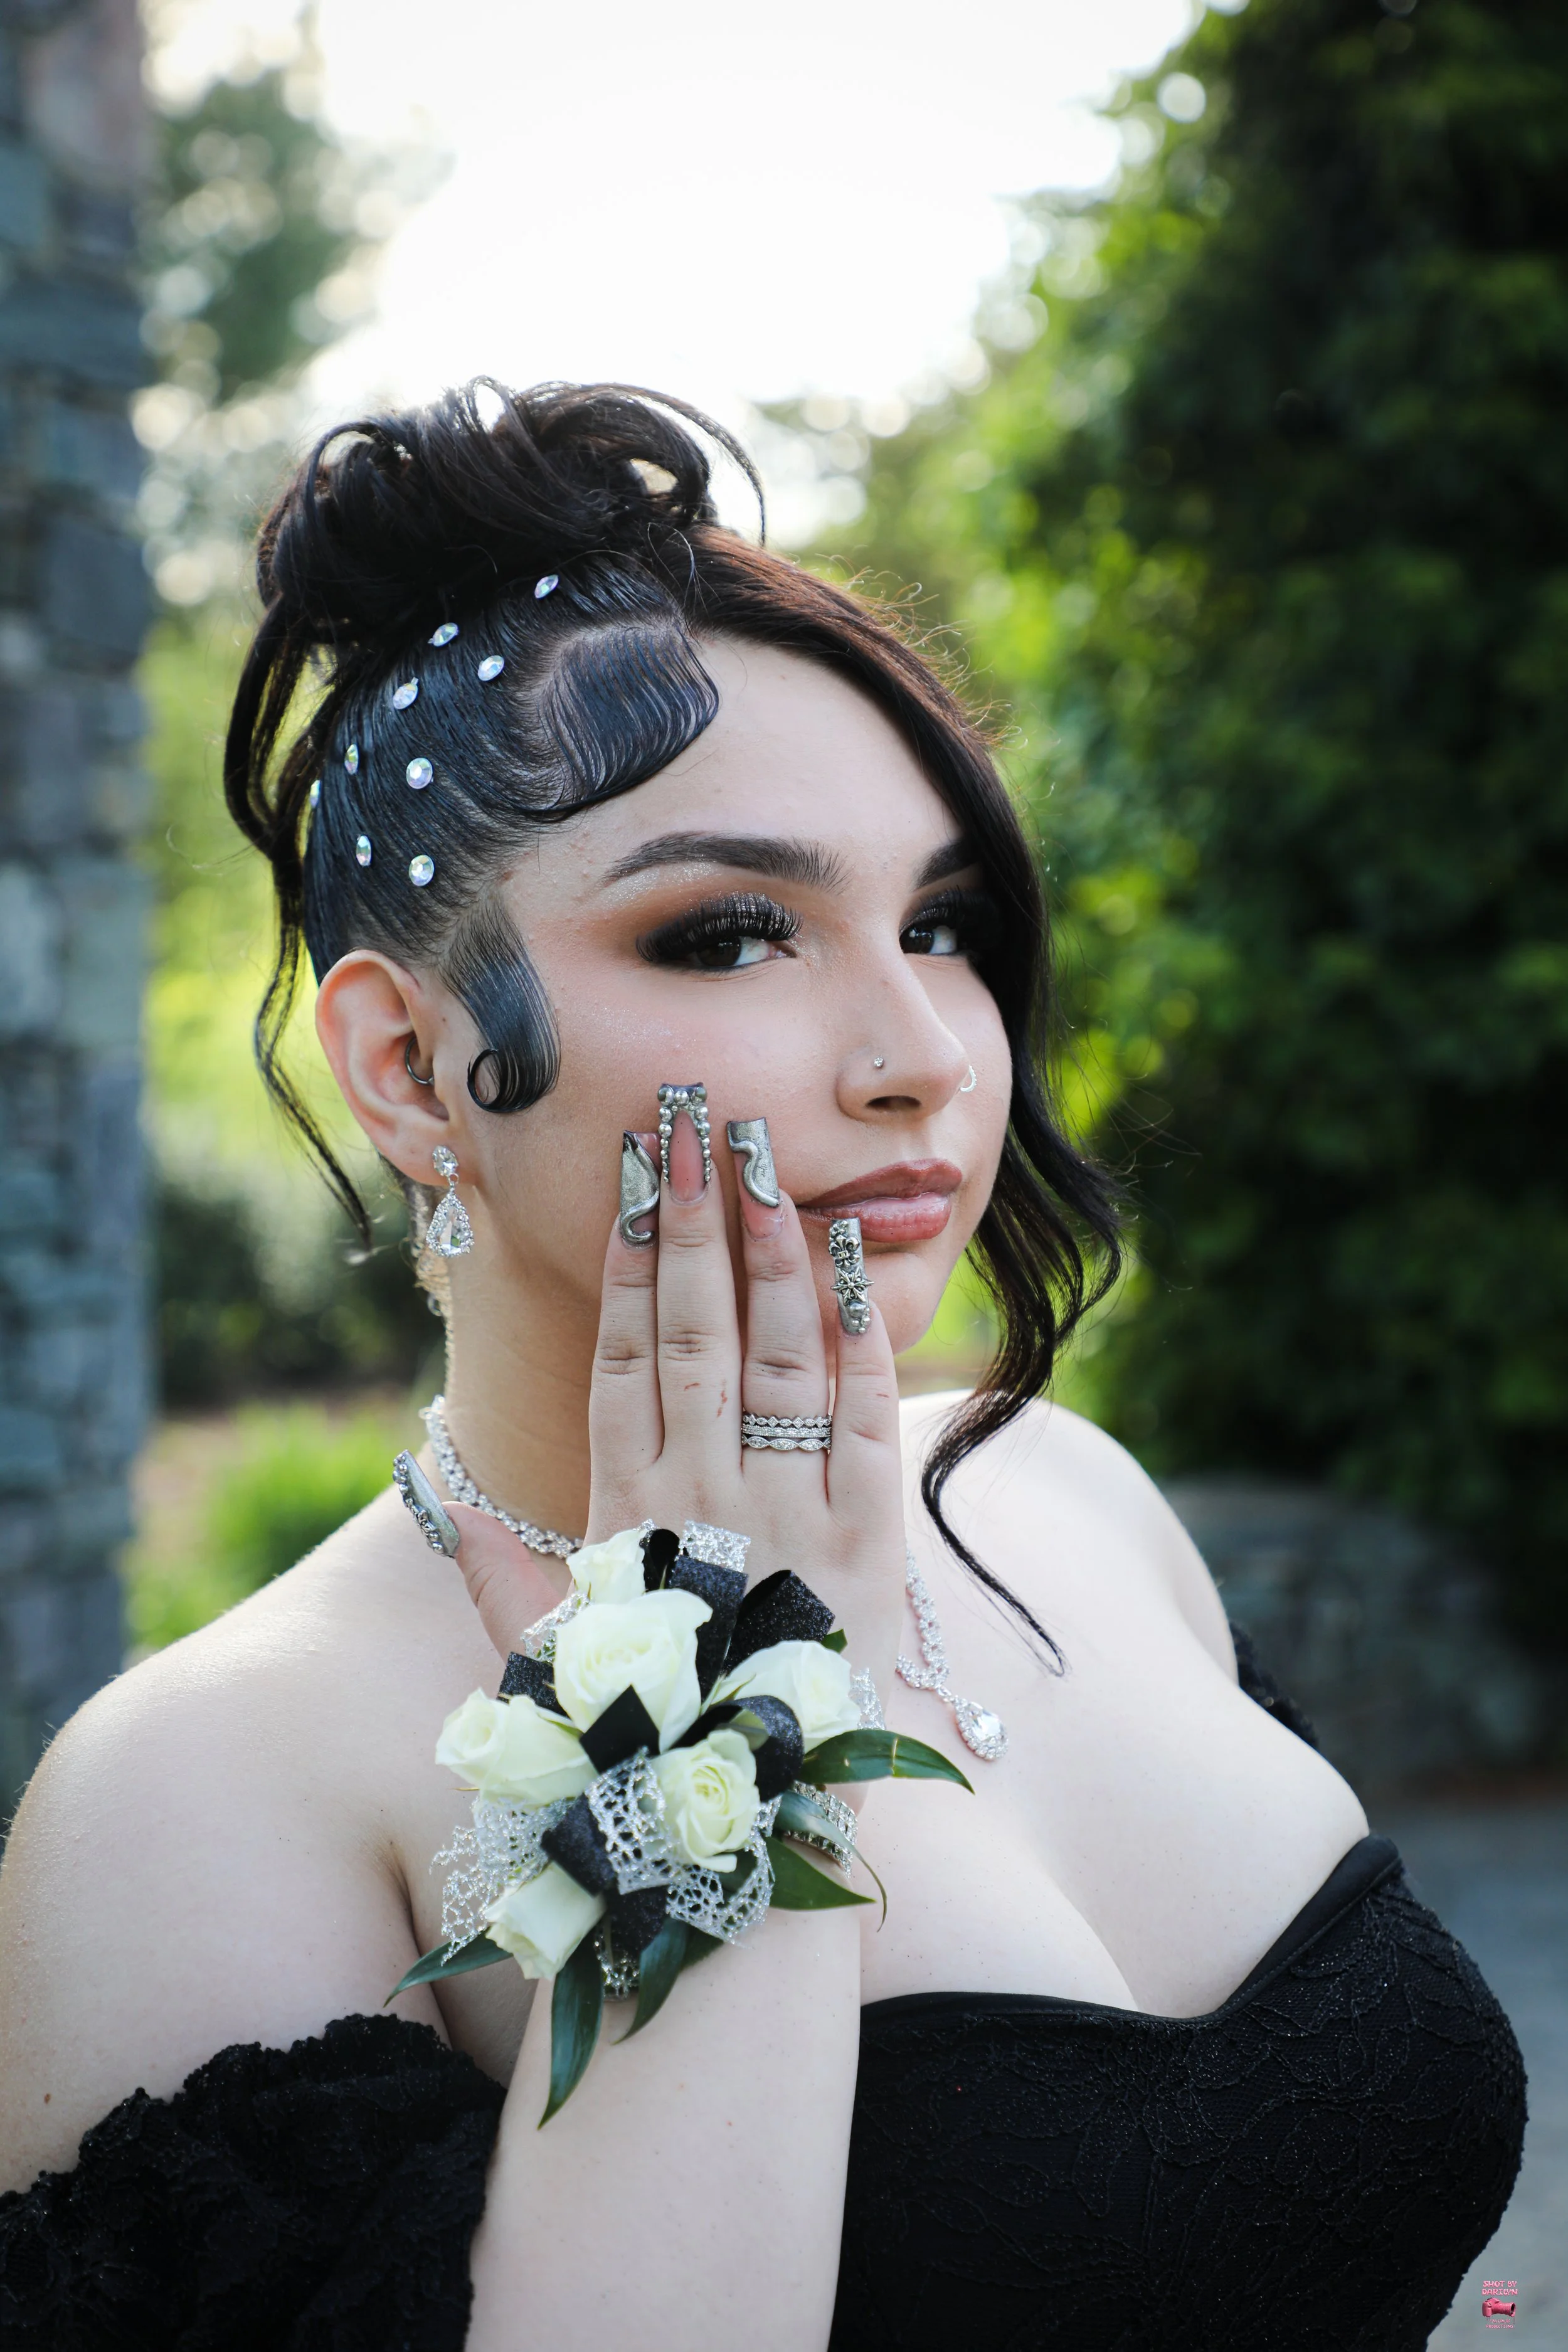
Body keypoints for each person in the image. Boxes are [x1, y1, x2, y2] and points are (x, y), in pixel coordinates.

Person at [0, 384, 1524, 2350]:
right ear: (404, 1064)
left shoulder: (1065, 1492)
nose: (920, 1051)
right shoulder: (201, 1793)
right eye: (732, 932)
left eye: (946, 921)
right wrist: (718, 1715)